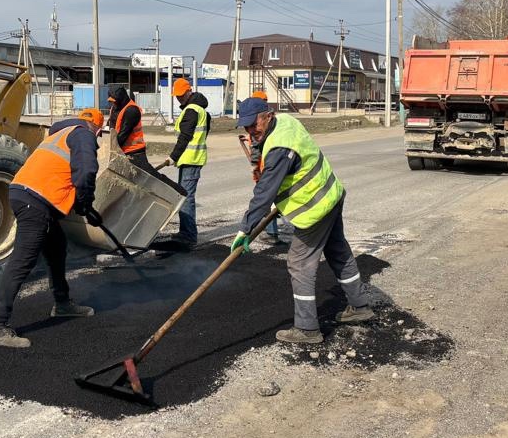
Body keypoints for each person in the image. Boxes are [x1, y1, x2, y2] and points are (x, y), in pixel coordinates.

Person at [230, 98, 375, 345]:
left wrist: (246, 228)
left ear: (268, 115)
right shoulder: (285, 122)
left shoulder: (278, 148)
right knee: (338, 250)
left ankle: (307, 329)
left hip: (314, 209)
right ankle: (360, 306)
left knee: (299, 263)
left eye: (253, 124)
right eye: (245, 127)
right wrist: (258, 154)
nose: (250, 131)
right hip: (331, 194)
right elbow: (272, 157)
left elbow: (264, 193)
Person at [0, 108, 101, 348]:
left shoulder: (60, 133)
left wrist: (82, 205)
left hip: (25, 193)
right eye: (98, 134)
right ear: (97, 128)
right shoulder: (84, 134)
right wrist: (85, 203)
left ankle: (63, 303)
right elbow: (86, 170)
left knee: (57, 246)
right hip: (35, 200)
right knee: (22, 261)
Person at [160, 78, 209, 250]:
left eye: (181, 95)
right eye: (177, 96)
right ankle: (185, 232)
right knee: (183, 196)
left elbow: (185, 137)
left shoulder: (192, 110)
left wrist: (173, 156)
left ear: (189, 91)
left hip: (191, 160)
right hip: (189, 159)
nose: (179, 98)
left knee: (186, 198)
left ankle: (189, 236)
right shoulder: (198, 109)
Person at [240, 91, 282, 242]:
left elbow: (257, 150)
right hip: (264, 169)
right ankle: (272, 232)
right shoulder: (263, 126)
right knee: (269, 200)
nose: (250, 129)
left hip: (267, 170)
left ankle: (271, 233)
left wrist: (254, 166)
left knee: (266, 198)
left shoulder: (264, 130)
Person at [106, 86, 150, 171]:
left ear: (121, 99)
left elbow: (123, 134)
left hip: (135, 153)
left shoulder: (132, 110)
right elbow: (109, 127)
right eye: (112, 101)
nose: (113, 104)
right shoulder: (114, 108)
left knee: (149, 179)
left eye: (115, 101)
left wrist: (109, 148)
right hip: (120, 151)